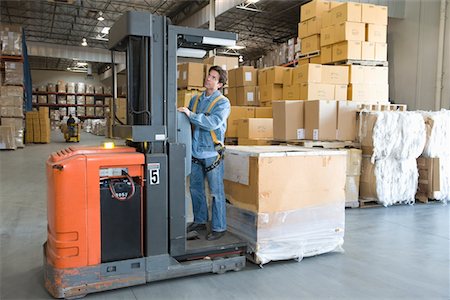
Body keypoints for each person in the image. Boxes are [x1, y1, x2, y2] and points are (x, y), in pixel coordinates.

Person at [178, 66, 231, 241]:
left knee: (216, 192)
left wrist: (191, 115)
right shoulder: (195, 100)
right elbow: (186, 121)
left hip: (211, 153)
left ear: (220, 85)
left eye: (214, 78)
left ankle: (219, 227)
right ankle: (200, 220)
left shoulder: (223, 103)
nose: (209, 79)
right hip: (195, 151)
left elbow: (212, 123)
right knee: (195, 189)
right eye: (209, 76)